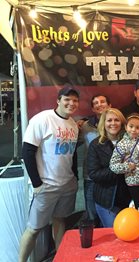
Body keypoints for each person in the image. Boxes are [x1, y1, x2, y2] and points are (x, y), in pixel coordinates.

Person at [19, 86, 80, 262]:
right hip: (46, 185)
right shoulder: (42, 119)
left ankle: (60, 258)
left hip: (67, 184)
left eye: (75, 100)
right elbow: (27, 152)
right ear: (58, 100)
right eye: (67, 99)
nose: (71, 103)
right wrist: (37, 183)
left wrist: (74, 177)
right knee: (34, 229)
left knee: (60, 221)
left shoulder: (73, 124)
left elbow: (73, 154)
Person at [87, 108, 131, 227]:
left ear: (122, 123)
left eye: (116, 120)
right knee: (113, 236)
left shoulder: (131, 142)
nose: (113, 123)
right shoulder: (95, 145)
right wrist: (120, 167)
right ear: (103, 123)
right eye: (109, 120)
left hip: (129, 199)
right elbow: (94, 174)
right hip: (107, 201)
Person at [79, 95, 111, 225]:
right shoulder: (85, 126)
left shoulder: (116, 123)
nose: (99, 104)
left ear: (110, 105)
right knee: (92, 214)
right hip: (90, 176)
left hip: (110, 176)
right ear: (92, 108)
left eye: (103, 101)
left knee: (110, 214)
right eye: (96, 103)